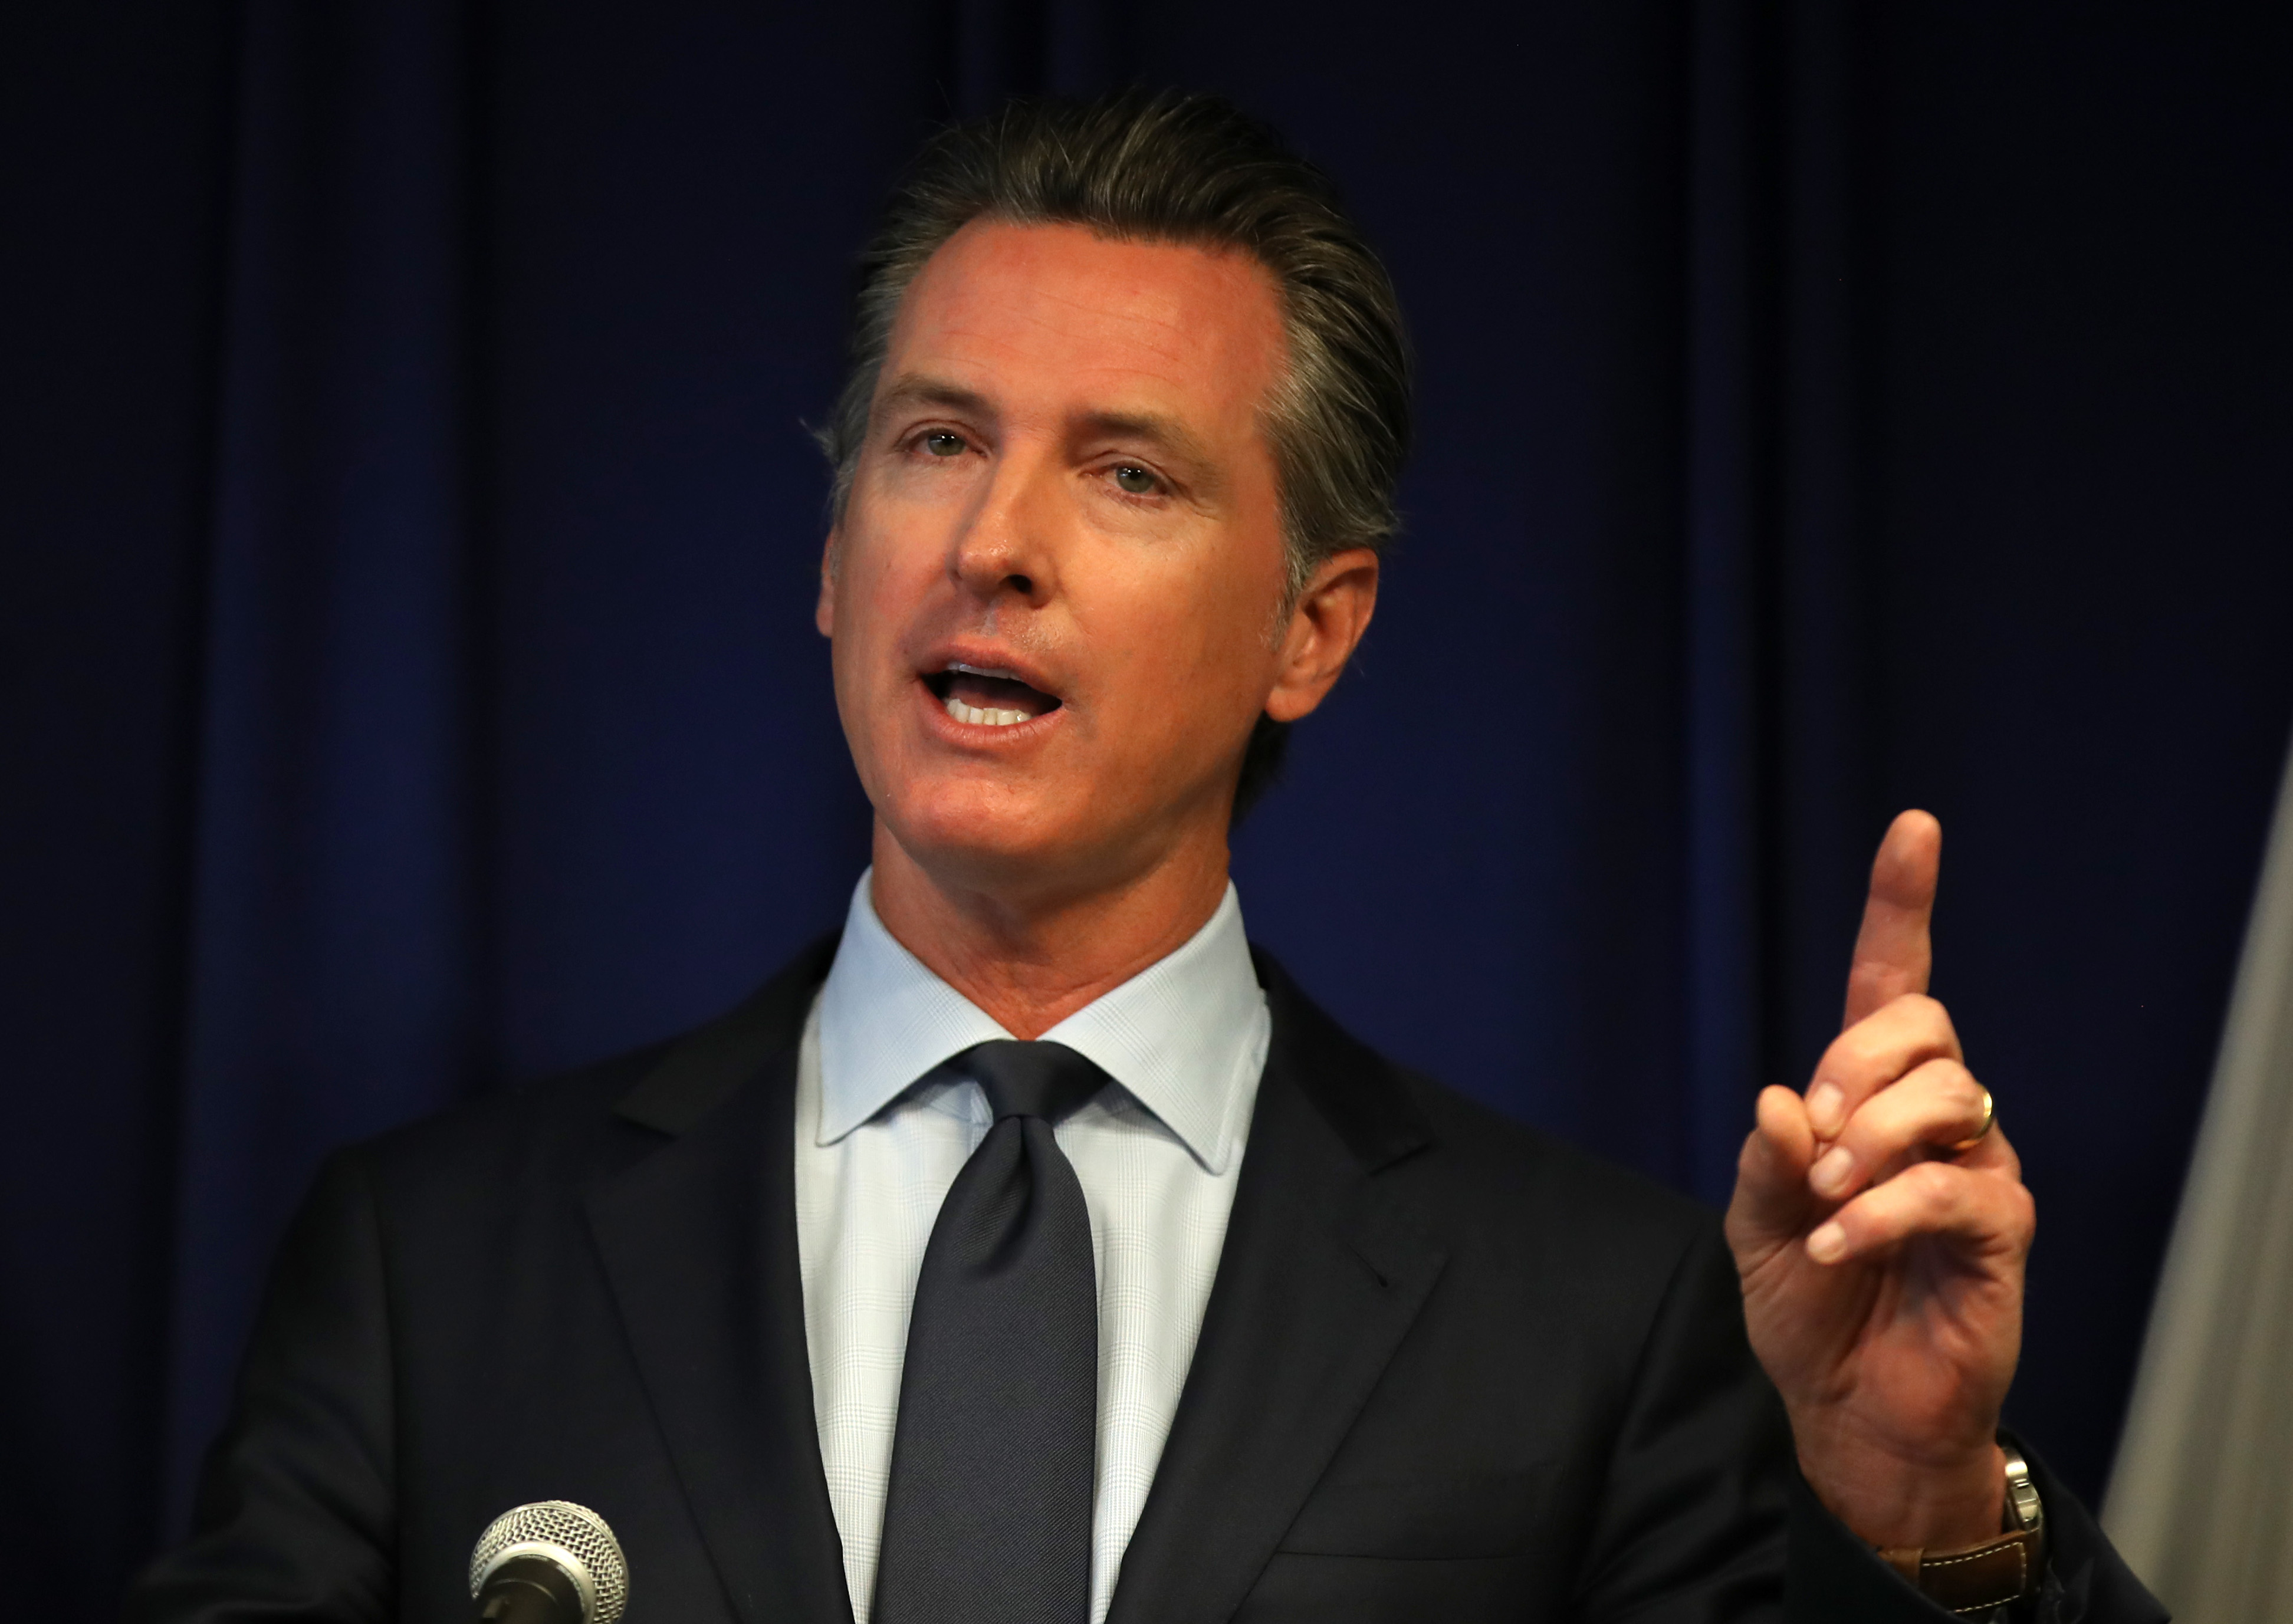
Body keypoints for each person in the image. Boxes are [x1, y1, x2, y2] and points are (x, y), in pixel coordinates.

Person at [130, 91, 2163, 1623]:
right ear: (833, 565)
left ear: (1316, 626)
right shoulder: (429, 1272)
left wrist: (1918, 1513)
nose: (992, 539)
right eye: (933, 440)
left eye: (1126, 470)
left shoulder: (1594, 1322)